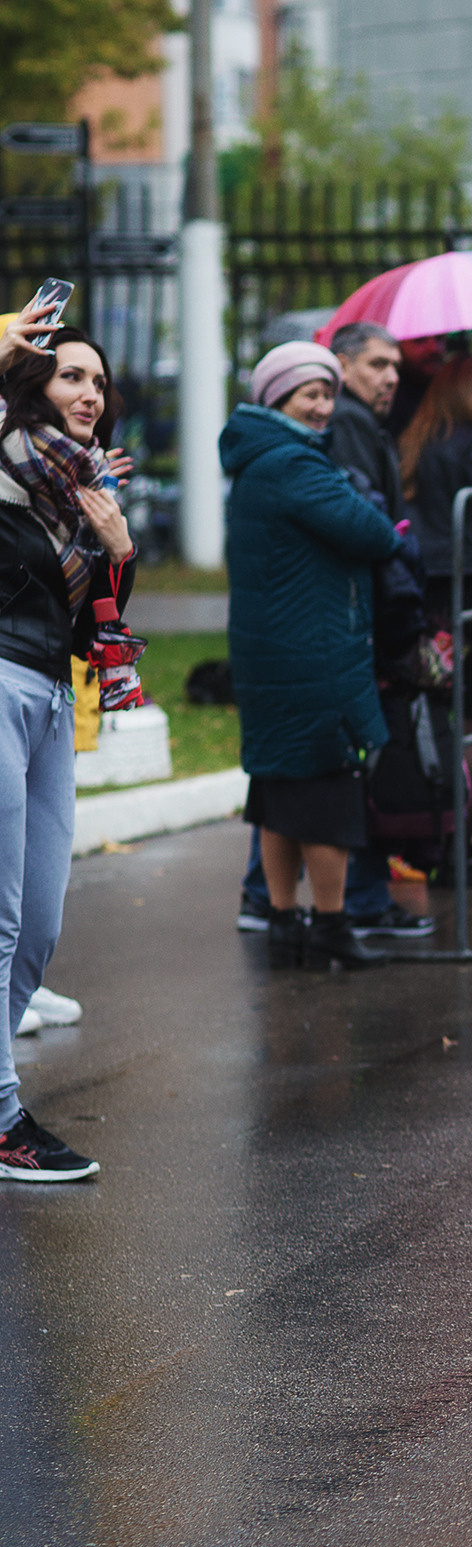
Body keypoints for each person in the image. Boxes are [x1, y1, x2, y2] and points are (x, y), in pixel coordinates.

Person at [235, 320, 434, 938]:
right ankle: (332, 925)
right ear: (276, 400)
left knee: (280, 793)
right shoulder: (294, 463)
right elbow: (373, 532)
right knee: (324, 795)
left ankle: (284, 918)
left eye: (327, 393)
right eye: (309, 396)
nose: (323, 407)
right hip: (310, 653)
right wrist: (378, 518)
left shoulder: (267, 455)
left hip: (281, 650)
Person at [0, 311, 135, 1178]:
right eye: (68, 376)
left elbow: (96, 630)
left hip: (52, 693)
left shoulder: (84, 499)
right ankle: (5, 1117)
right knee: (1, 914)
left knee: (39, 925)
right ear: (30, 385)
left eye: (96, 381)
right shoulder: (6, 462)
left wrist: (119, 552)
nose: (88, 393)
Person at [399, 354, 472, 885]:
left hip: (424, 587)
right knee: (471, 725)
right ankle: (459, 852)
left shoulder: (417, 438)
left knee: (431, 716)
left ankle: (427, 842)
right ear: (459, 393)